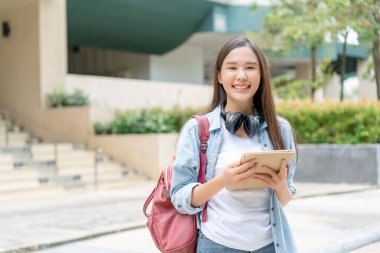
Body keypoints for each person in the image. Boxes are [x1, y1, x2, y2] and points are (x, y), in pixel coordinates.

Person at [170, 35, 298, 253]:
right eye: (232, 68)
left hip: (271, 247)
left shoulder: (281, 129)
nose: (241, 76)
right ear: (219, 76)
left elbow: (286, 198)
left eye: (250, 67)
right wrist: (222, 181)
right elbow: (179, 197)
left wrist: (280, 186)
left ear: (261, 75)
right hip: (217, 245)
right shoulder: (198, 129)